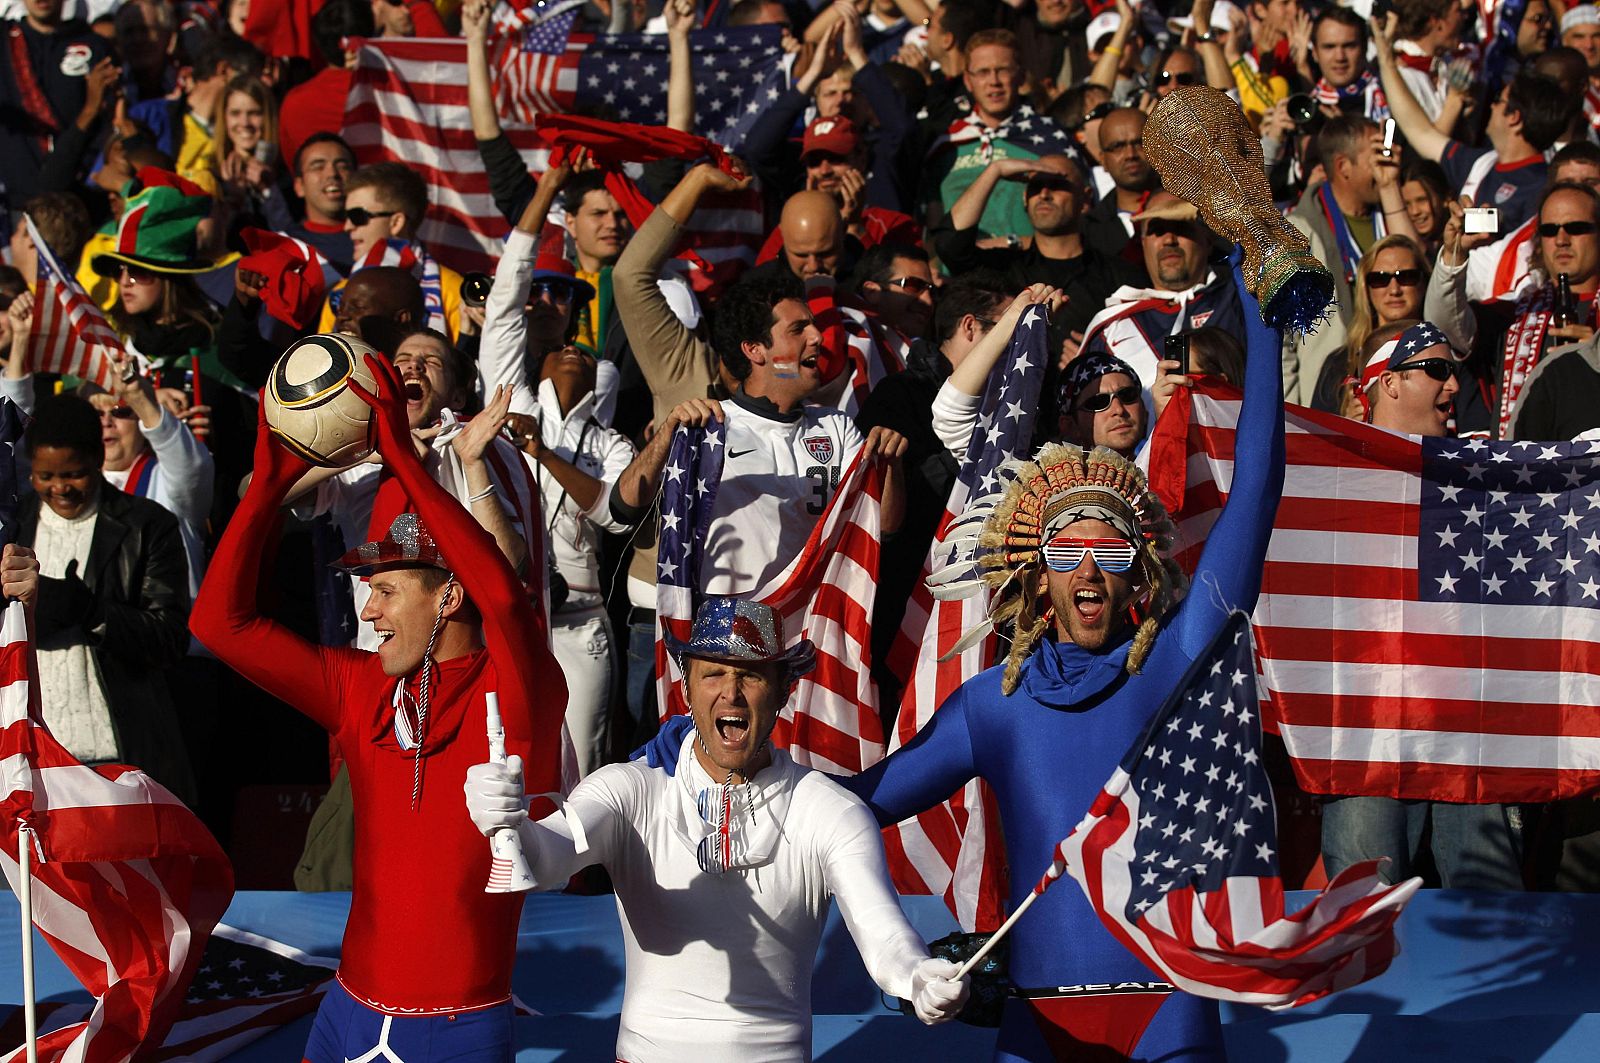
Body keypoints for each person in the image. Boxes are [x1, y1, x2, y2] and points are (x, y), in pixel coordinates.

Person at [836, 254, 1286, 1061]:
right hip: (1036, 1017)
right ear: (1037, 576)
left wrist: (1262, 312)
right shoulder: (992, 705)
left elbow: (1253, 489)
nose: (1088, 571)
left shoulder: (1178, 660)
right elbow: (858, 805)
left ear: (1140, 571)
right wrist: (733, 788)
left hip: (1168, 1006)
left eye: (1110, 553)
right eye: (1068, 552)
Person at [191, 355, 567, 1062]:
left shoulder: (522, 690)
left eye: (387, 590)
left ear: (447, 597)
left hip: (460, 1028)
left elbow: (504, 598)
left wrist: (406, 458)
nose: (368, 609)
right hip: (347, 1013)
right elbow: (219, 625)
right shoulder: (361, 687)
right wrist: (268, 485)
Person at [462, 595, 970, 1060]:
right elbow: (548, 858)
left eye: (750, 676)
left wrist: (916, 974)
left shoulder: (828, 810)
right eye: (714, 674)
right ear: (685, 686)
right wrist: (506, 821)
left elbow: (883, 934)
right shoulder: (629, 790)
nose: (731, 693)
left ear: (783, 691)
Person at [478, 170, 638, 781]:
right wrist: (543, 194)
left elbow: (609, 514)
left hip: (581, 618)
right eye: (536, 293)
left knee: (585, 765)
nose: (549, 306)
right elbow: (502, 309)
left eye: (562, 295)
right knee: (504, 759)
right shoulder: (508, 399)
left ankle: (579, 880)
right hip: (513, 609)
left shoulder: (606, 435)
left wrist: (544, 454)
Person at [19, 393, 193, 801]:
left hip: (118, 759)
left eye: (75, 474)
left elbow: (170, 638)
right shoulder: (12, 527)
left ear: (98, 457)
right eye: (46, 476)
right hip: (29, 757)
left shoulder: (147, 526)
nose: (60, 488)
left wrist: (91, 612)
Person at [1375, 16, 1570, 236]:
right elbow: (1419, 130)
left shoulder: (1540, 188)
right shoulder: (1479, 163)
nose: (1491, 107)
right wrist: (1386, 60)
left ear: (1514, 117)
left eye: (1498, 100)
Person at [931, 153, 1145, 338]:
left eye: (1058, 184)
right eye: (1036, 186)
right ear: (1025, 198)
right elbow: (950, 245)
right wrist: (995, 170)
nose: (1044, 194)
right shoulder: (1001, 271)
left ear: (1086, 198)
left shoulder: (1121, 276)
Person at [1285, 115, 1418, 406]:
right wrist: (1293, 413)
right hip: (1326, 402)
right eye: (1375, 154)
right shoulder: (1298, 232)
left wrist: (1390, 187)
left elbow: (1420, 270)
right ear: (1343, 166)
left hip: (1400, 389)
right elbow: (1283, 337)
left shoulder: (1392, 214)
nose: (1385, 161)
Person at [1075, 192, 1243, 415]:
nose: (1169, 240)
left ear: (1209, 239)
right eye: (1157, 230)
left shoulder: (1242, 299)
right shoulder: (1112, 325)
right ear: (1142, 242)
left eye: (1182, 227)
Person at [319, 161, 465, 339]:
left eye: (357, 216)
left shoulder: (452, 289)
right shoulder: (341, 295)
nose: (347, 226)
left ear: (396, 222)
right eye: (345, 216)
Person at [0, 0, 111, 211]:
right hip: (15, 207)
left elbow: (108, 126)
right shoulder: (4, 42)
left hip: (77, 204)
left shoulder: (95, 47)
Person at [1357, 318, 1461, 436]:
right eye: (1438, 369)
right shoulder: (1340, 453)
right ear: (1389, 382)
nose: (1454, 386)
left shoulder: (1474, 452)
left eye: (1454, 371)